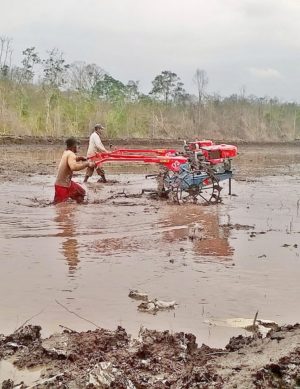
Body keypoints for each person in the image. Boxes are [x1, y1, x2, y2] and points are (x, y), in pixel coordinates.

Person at [54, 137, 95, 204]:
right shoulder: (71, 154)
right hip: (62, 186)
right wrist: (87, 164)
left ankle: (76, 209)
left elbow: (72, 159)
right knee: (60, 205)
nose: (79, 147)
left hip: (67, 183)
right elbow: (73, 167)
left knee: (81, 193)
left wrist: (80, 158)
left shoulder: (66, 152)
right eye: (77, 145)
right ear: (74, 146)